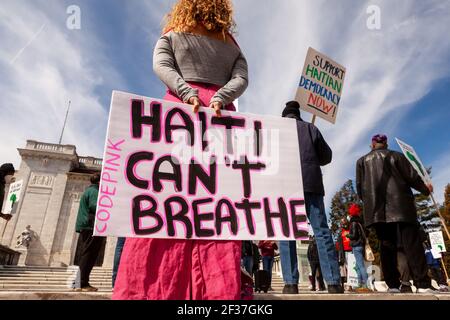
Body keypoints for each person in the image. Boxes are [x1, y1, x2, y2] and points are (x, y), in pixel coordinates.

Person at [113, 0, 248, 300]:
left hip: (177, 109)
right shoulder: (230, 42)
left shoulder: (174, 32)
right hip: (220, 115)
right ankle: (216, 292)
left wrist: (187, 92)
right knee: (215, 204)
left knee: (164, 201)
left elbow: (161, 65)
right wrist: (221, 97)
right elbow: (241, 78)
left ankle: (149, 289)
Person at [356, 134, 437, 293]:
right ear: (385, 144)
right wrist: (425, 189)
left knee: (386, 246)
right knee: (413, 245)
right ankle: (422, 284)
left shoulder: (361, 162)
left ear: (372, 144)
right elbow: (412, 177)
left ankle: (392, 285)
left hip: (377, 210)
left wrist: (369, 203)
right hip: (402, 206)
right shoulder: (397, 156)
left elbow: (360, 188)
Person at [279, 101, 343, 294]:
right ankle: (333, 283)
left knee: (286, 234)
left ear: (284, 115)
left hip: (285, 186)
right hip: (312, 184)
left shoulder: (277, 130)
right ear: (298, 114)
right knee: (322, 231)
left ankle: (290, 284)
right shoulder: (311, 128)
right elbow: (327, 157)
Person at [74, 173, 105, 292]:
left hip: (87, 225)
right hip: (91, 226)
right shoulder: (94, 191)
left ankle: (82, 282)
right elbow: (95, 205)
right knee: (89, 254)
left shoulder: (89, 190)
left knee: (87, 253)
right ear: (99, 182)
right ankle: (81, 283)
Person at [346, 204, 371, 293]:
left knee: (360, 266)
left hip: (356, 246)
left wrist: (347, 235)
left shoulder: (353, 223)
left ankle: (366, 285)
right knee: (357, 266)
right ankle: (360, 285)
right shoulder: (360, 222)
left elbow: (354, 235)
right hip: (361, 245)